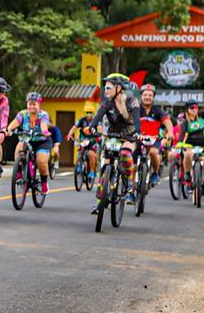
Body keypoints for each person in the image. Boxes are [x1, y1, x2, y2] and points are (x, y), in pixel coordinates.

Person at [89, 73, 142, 213]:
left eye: (108, 87)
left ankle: (128, 183)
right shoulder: (107, 103)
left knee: (125, 153)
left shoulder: (132, 101)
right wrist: (92, 127)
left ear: (118, 88)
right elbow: (97, 117)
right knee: (105, 166)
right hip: (112, 136)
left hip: (129, 136)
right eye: (105, 88)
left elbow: (137, 121)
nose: (105, 90)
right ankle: (99, 202)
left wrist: (138, 132)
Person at [7, 92, 53, 194]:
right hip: (27, 140)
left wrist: (45, 132)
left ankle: (44, 183)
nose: (31, 106)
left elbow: (43, 124)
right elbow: (15, 122)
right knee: (19, 148)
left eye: (34, 104)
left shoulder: (43, 114)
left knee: (41, 161)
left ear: (39, 104)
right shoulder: (22, 114)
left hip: (42, 141)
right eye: (29, 104)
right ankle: (19, 172)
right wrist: (8, 129)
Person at [139, 83, 174, 187]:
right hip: (138, 138)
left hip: (154, 140)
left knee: (154, 153)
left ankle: (155, 173)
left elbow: (167, 121)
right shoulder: (136, 110)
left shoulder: (158, 110)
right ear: (141, 96)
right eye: (145, 95)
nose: (147, 97)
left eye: (150, 95)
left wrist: (170, 132)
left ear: (153, 97)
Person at [67, 103, 99, 184]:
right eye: (87, 112)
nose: (89, 114)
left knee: (91, 154)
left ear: (93, 113)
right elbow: (74, 127)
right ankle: (79, 164)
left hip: (92, 140)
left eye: (90, 113)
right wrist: (69, 135)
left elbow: (100, 128)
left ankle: (92, 172)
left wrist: (99, 135)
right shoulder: (81, 120)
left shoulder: (96, 121)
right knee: (80, 151)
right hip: (83, 139)